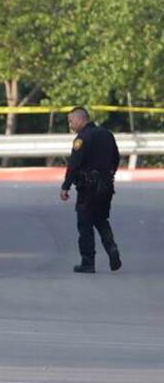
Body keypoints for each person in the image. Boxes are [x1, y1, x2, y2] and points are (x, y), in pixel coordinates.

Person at [60, 107, 121, 273]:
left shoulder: (82, 138)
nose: (70, 125)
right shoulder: (107, 134)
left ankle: (88, 262)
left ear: (81, 119)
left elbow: (74, 164)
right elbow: (116, 158)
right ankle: (112, 249)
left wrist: (66, 186)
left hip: (88, 188)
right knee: (101, 219)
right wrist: (108, 176)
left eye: (71, 121)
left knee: (85, 224)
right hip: (107, 186)